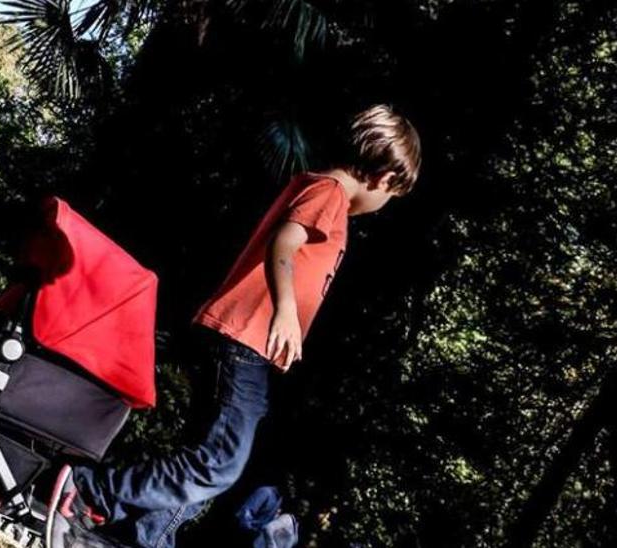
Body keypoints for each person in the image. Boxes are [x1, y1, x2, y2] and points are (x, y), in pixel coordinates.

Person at [47, 105, 422, 548]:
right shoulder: (331, 193)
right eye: (391, 198)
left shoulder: (321, 191)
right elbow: (285, 243)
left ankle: (139, 538)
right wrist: (285, 310)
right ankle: (90, 490)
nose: (382, 207)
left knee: (218, 461)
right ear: (384, 179)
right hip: (242, 339)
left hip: (244, 345)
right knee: (221, 461)